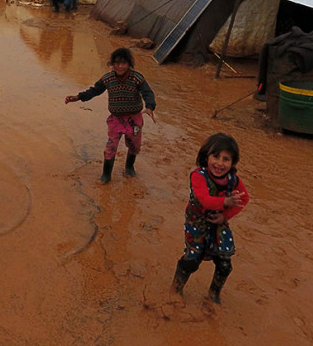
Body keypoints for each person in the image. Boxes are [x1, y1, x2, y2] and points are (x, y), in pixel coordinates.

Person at [170, 133, 249, 304]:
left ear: (233, 163)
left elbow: (244, 198)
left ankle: (214, 295)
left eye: (226, 159)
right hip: (196, 222)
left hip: (219, 222)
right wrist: (225, 201)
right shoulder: (198, 176)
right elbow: (204, 200)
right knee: (192, 259)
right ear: (206, 156)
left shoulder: (233, 180)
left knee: (225, 263)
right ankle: (175, 289)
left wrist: (225, 216)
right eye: (215, 156)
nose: (219, 163)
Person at [64, 47, 156, 181]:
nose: (120, 66)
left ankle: (129, 167)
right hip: (116, 119)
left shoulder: (137, 78)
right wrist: (78, 97)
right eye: (117, 63)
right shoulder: (107, 79)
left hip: (134, 119)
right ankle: (106, 175)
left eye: (123, 63)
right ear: (112, 64)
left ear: (129, 64)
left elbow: (147, 93)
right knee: (111, 146)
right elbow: (94, 90)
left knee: (134, 145)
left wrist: (150, 107)